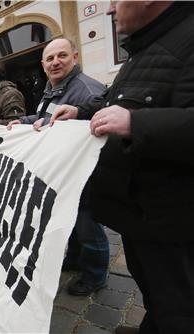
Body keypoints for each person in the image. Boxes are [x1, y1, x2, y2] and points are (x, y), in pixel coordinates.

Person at [50, 2, 194, 333]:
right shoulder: (147, 46)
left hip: (173, 223)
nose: (111, 8)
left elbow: (132, 113)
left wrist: (137, 123)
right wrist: (82, 112)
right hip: (139, 215)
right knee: (157, 294)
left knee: (181, 308)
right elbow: (118, 102)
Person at [9, 38, 109, 296]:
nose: (56, 62)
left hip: (85, 175)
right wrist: (22, 121)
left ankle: (95, 276)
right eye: (50, 58)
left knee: (88, 227)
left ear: (75, 57)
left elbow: (104, 115)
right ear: (43, 65)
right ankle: (76, 260)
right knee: (72, 221)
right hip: (64, 172)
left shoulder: (87, 89)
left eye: (62, 56)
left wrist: (79, 113)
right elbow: (46, 117)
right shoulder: (52, 88)